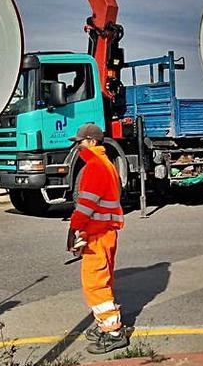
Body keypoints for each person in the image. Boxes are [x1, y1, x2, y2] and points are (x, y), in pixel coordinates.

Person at [66, 123, 128, 354]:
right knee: (104, 279)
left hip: (97, 235)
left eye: (79, 143)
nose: (76, 147)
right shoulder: (107, 164)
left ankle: (113, 332)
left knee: (95, 283)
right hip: (106, 233)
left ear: (92, 142)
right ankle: (106, 325)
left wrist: (73, 229)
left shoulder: (94, 167)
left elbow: (86, 206)